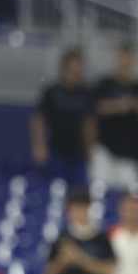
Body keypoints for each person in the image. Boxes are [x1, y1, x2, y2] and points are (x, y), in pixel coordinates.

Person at [31, 47, 95, 185]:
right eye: (73, 68)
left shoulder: (86, 93)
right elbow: (39, 120)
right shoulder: (52, 92)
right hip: (56, 151)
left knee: (79, 189)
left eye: (79, 68)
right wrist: (39, 146)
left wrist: (89, 149)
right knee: (55, 187)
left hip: (78, 154)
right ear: (64, 68)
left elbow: (89, 123)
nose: (76, 72)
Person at [91, 41, 138, 189]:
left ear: (134, 61)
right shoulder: (105, 84)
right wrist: (119, 105)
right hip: (105, 149)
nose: (125, 62)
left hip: (130, 153)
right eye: (122, 58)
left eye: (128, 58)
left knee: (133, 193)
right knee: (99, 191)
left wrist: (134, 104)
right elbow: (96, 109)